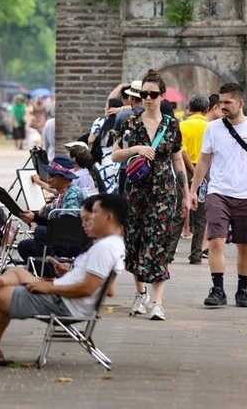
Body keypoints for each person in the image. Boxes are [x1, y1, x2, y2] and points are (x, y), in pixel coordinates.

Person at [0, 193, 127, 367]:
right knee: (17, 275)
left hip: (64, 304)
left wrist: (49, 288)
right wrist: (67, 275)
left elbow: (87, 288)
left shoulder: (104, 248)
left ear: (108, 217)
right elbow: (105, 288)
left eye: (95, 213)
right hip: (68, 299)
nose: (91, 217)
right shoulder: (112, 245)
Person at [111, 69, 188, 321]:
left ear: (162, 96)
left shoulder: (172, 125)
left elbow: (177, 159)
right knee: (136, 241)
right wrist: (136, 149)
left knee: (158, 242)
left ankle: (157, 302)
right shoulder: (130, 123)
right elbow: (115, 155)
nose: (148, 98)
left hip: (164, 192)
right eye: (143, 94)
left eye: (153, 94)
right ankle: (140, 293)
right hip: (135, 190)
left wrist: (186, 193)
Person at [189, 82, 247, 308]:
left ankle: (242, 291)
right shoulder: (213, 128)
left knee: (245, 244)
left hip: (246, 195)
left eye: (227, 102)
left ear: (240, 103)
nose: (222, 106)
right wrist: (193, 191)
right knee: (216, 241)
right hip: (218, 192)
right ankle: (217, 289)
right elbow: (204, 160)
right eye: (220, 102)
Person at [16, 156, 87, 268]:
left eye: (52, 175)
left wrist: (36, 219)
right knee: (24, 246)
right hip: (62, 237)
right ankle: (46, 274)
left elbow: (66, 224)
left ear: (64, 177)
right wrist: (34, 218)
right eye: (48, 173)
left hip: (72, 241)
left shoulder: (73, 194)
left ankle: (51, 275)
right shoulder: (63, 193)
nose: (48, 177)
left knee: (41, 232)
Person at [166, 95, 212, 265]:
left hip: (184, 172)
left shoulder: (182, 125)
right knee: (201, 217)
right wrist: (201, 173)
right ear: (207, 110)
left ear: (190, 108)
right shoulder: (210, 127)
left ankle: (169, 253)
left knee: (180, 211)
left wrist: (192, 170)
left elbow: (181, 151)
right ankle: (196, 255)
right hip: (205, 174)